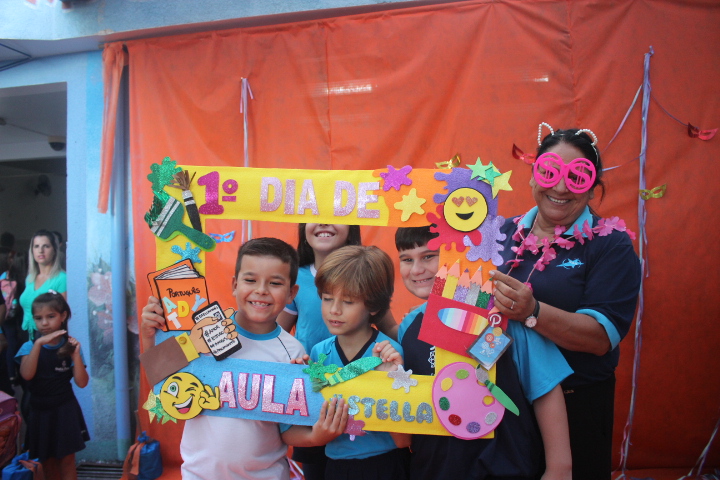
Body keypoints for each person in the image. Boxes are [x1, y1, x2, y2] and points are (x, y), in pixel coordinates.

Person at [490, 126, 641, 480]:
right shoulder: (500, 233)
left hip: (577, 405)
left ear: (592, 187)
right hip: (500, 400)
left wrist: (533, 312)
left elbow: (600, 338)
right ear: (533, 175)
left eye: (576, 178)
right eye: (549, 172)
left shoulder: (611, 245)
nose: (560, 188)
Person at [141, 237, 349, 480]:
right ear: (234, 284)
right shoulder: (202, 333)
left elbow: (287, 429)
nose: (261, 290)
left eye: (275, 283)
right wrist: (148, 335)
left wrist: (317, 436)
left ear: (292, 293)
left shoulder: (292, 352)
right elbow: (161, 382)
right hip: (199, 475)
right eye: (250, 280)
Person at [395, 226, 573, 480]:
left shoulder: (504, 315)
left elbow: (544, 388)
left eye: (428, 256)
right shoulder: (408, 326)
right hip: (435, 469)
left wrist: (559, 468)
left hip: (505, 467)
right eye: (406, 259)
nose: (416, 270)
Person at [277, 224, 397, 479]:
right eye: (327, 298)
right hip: (332, 457)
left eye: (348, 301)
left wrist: (394, 375)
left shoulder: (388, 352)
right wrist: (301, 380)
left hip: (383, 463)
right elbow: (275, 334)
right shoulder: (319, 352)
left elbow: (404, 432)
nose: (334, 310)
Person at [16, 292, 89, 480]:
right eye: (38, 318)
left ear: (62, 316)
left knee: (67, 461)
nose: (44, 323)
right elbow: (27, 374)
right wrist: (38, 344)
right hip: (39, 411)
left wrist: (75, 356)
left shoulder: (70, 347)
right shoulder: (29, 347)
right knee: (46, 462)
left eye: (50, 316)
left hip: (65, 409)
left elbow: (82, 383)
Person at [19, 230, 67, 338]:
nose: (40, 250)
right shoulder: (30, 278)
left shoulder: (62, 278)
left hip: (48, 336)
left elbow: (64, 314)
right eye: (36, 246)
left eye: (46, 246)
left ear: (54, 250)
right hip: (26, 334)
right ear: (32, 250)